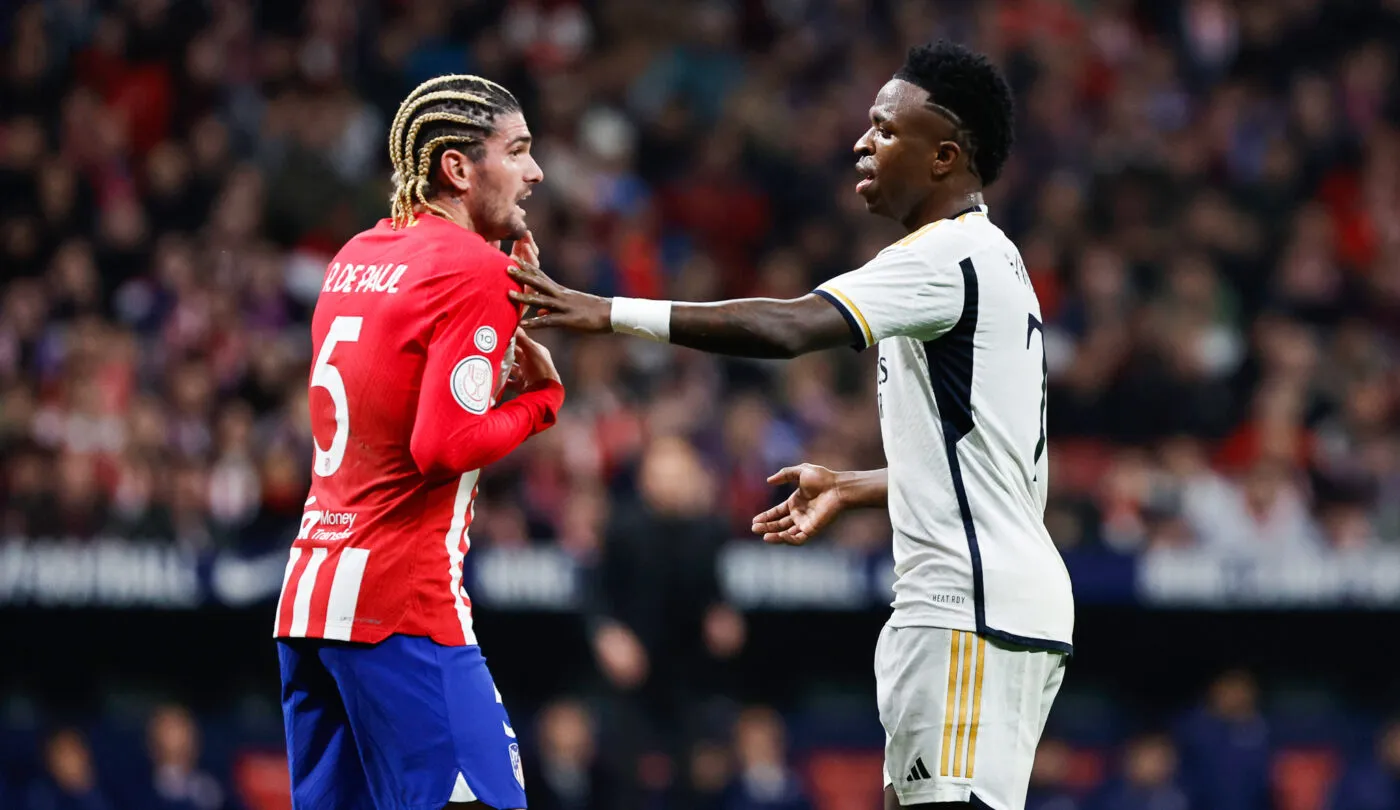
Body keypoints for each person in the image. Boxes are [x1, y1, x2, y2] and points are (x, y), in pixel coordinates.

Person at [508, 42, 1073, 810]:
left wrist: (607, 312)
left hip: (966, 607)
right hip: (1002, 600)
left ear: (944, 156)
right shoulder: (994, 259)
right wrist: (855, 484)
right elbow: (985, 467)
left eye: (884, 128)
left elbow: (785, 327)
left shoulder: (945, 257)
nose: (861, 142)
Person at [274, 74, 562, 810]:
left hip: (310, 602)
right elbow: (443, 443)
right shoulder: (473, 269)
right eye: (519, 151)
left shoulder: (356, 254)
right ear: (458, 168)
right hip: (401, 608)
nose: (536, 173)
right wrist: (539, 404)